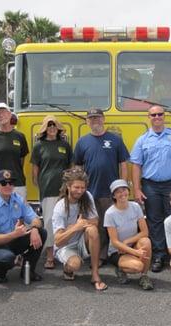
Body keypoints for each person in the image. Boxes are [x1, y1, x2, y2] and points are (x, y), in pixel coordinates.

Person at [131, 105, 171, 272]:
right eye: (153, 115)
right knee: (154, 219)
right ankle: (159, 254)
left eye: (160, 114)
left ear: (164, 116)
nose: (157, 117)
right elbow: (136, 165)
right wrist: (136, 189)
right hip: (150, 185)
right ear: (149, 117)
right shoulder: (142, 140)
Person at [73, 108, 130, 263]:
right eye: (91, 118)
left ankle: (108, 255)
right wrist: (78, 189)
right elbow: (77, 167)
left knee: (110, 225)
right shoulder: (82, 142)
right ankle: (94, 255)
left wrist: (122, 186)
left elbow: (123, 164)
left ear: (103, 119)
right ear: (87, 122)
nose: (94, 121)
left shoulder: (115, 139)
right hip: (90, 192)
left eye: (97, 117)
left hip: (110, 192)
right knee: (93, 226)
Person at [0, 169, 47, 283]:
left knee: (42, 232)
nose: (8, 186)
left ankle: (28, 270)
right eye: (4, 183)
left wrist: (35, 228)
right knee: (7, 258)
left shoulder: (18, 199)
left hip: (12, 238)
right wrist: (14, 234)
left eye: (11, 183)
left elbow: (36, 219)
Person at [52, 168, 106, 291]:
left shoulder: (87, 196)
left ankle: (95, 274)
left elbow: (95, 221)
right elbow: (58, 241)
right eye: (76, 187)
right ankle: (67, 268)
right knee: (75, 265)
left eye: (82, 187)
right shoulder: (60, 207)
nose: (80, 191)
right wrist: (75, 228)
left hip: (81, 240)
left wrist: (82, 224)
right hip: (65, 246)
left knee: (92, 230)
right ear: (68, 186)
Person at [31, 115, 73, 269]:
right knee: (48, 222)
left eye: (54, 126)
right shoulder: (39, 146)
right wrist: (38, 183)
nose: (52, 128)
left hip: (63, 190)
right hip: (47, 189)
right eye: (49, 126)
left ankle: (65, 253)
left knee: (65, 221)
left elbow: (70, 166)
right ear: (44, 129)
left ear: (58, 128)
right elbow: (35, 168)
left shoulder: (65, 145)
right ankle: (49, 256)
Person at [104, 179, 154, 290]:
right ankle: (120, 268)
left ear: (128, 191)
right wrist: (135, 252)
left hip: (131, 245)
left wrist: (127, 242)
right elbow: (115, 242)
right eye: (118, 192)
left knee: (146, 241)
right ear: (114, 196)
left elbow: (145, 232)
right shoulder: (109, 214)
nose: (122, 194)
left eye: (124, 190)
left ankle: (144, 276)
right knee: (138, 266)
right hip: (117, 251)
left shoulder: (135, 207)